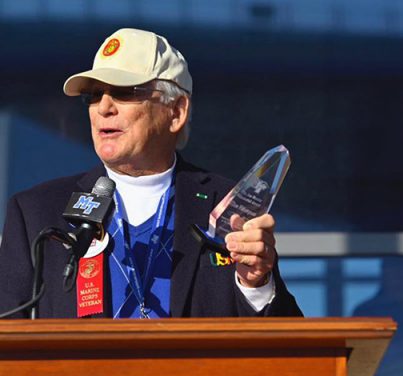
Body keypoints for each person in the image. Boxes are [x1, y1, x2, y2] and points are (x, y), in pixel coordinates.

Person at [0, 28, 302, 319]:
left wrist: (256, 284)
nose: (103, 107)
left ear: (176, 111)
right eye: (93, 95)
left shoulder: (229, 207)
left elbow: (289, 343)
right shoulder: (37, 213)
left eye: (124, 92)